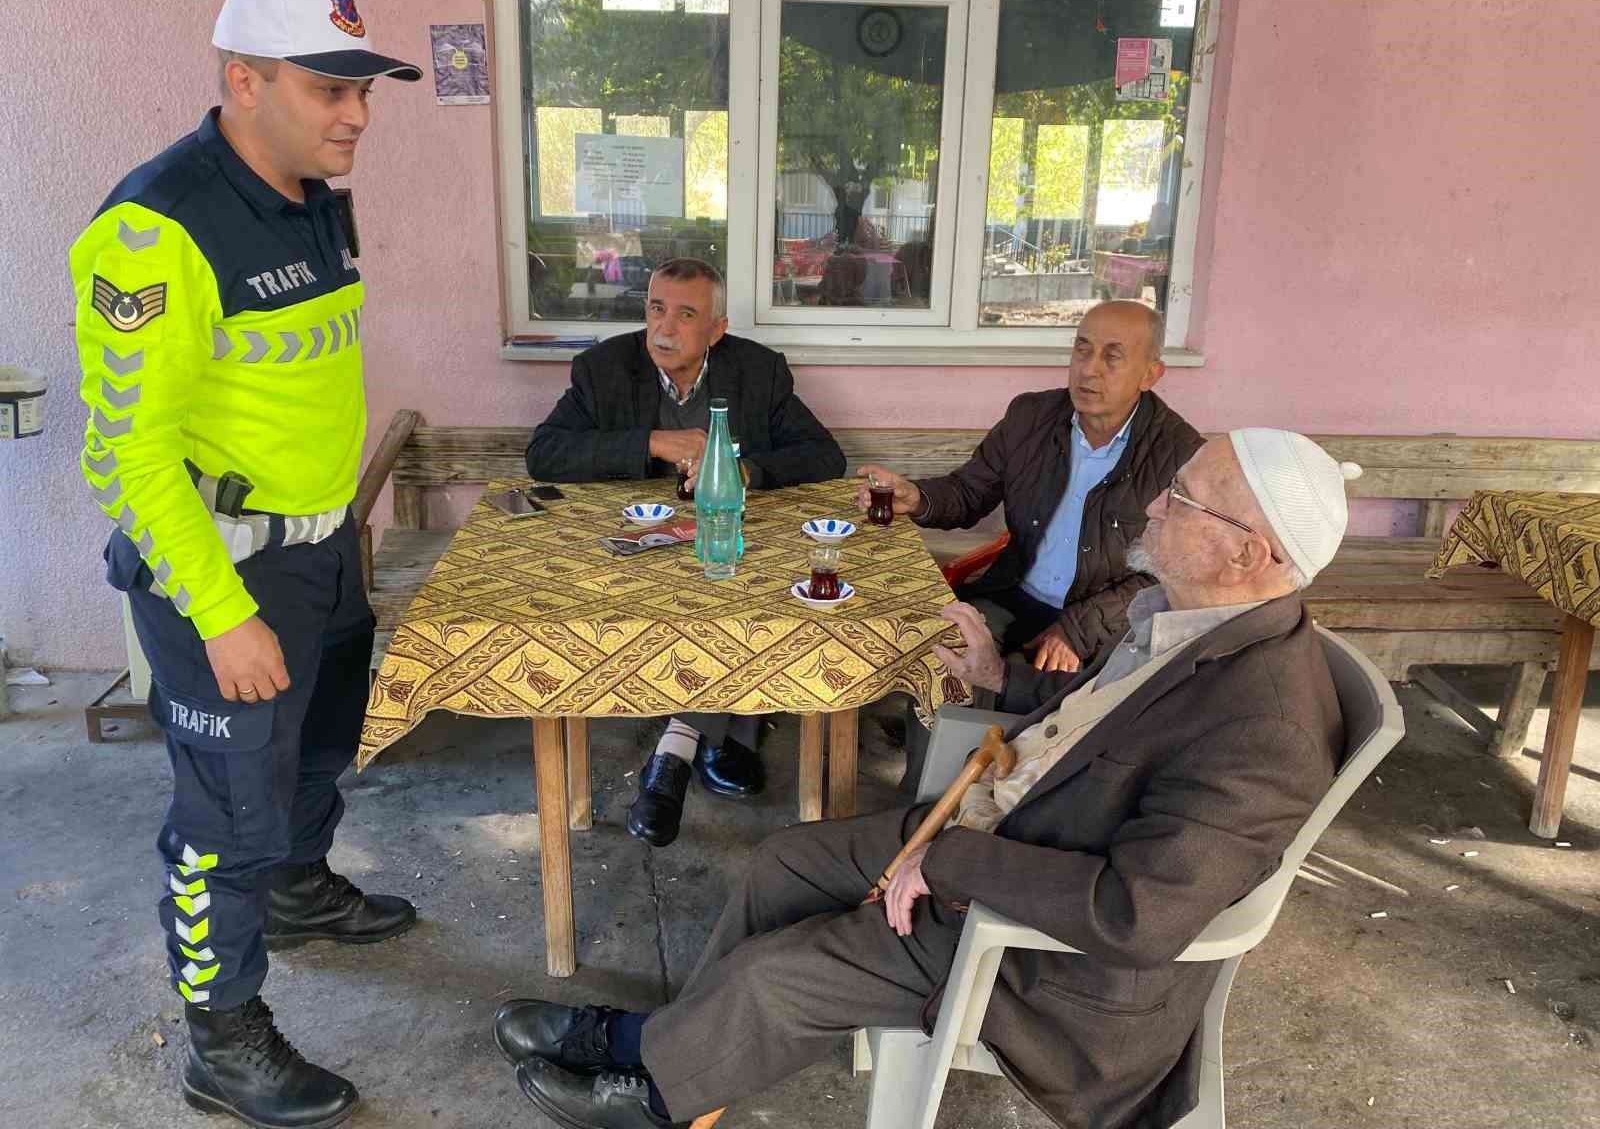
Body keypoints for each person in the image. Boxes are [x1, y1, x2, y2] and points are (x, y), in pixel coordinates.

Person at [490, 429, 1362, 1129]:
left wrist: (944, 865)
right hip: (1010, 826)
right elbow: (1107, 725)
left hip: (1041, 958)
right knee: (782, 866)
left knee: (787, 970)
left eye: (1183, 499)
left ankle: (658, 1092)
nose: (1154, 504)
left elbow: (1135, 916)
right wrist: (1003, 682)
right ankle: (675, 1046)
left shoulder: (1266, 727)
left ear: (1253, 555)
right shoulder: (1198, 618)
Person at [70, 0, 421, 1129]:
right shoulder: (153, 228)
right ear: (243, 81)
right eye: (330, 88)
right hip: (225, 573)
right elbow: (127, 456)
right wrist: (222, 614)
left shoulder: (315, 192)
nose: (356, 115)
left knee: (320, 751)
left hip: (321, 555)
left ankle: (301, 893)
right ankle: (222, 1038)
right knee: (224, 819)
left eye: (363, 90)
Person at [526, 258, 846, 847]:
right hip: (640, 550)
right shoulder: (604, 369)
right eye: (655, 309)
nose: (663, 329)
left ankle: (675, 749)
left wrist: (743, 471)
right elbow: (545, 454)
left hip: (725, 542)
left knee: (747, 591)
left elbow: (824, 456)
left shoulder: (757, 371)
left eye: (685, 314)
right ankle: (735, 735)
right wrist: (651, 442)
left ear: (716, 330)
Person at [858, 299, 1203, 782]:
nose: (1089, 369)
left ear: (1151, 373)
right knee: (947, 651)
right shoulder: (1031, 418)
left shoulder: (1180, 453)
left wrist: (1079, 629)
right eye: (1082, 349)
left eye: (1112, 356)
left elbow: (1170, 573)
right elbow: (970, 491)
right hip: (1015, 594)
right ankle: (923, 807)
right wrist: (918, 498)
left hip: (1102, 620)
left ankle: (1005, 812)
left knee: (1061, 705)